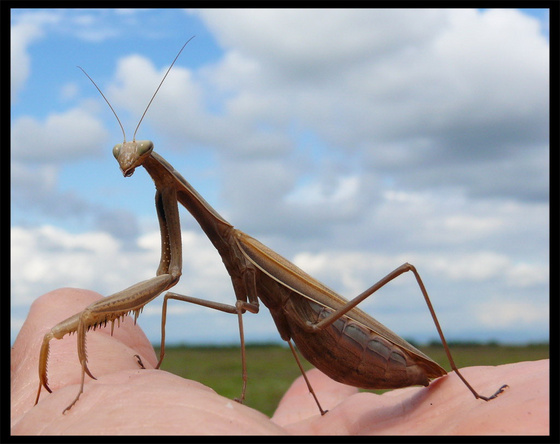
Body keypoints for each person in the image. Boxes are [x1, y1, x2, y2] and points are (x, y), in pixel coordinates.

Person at [11, 288, 549, 435]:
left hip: (334, 331)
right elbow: (169, 280)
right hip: (312, 333)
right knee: (172, 294)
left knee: (403, 269)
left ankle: (469, 386)